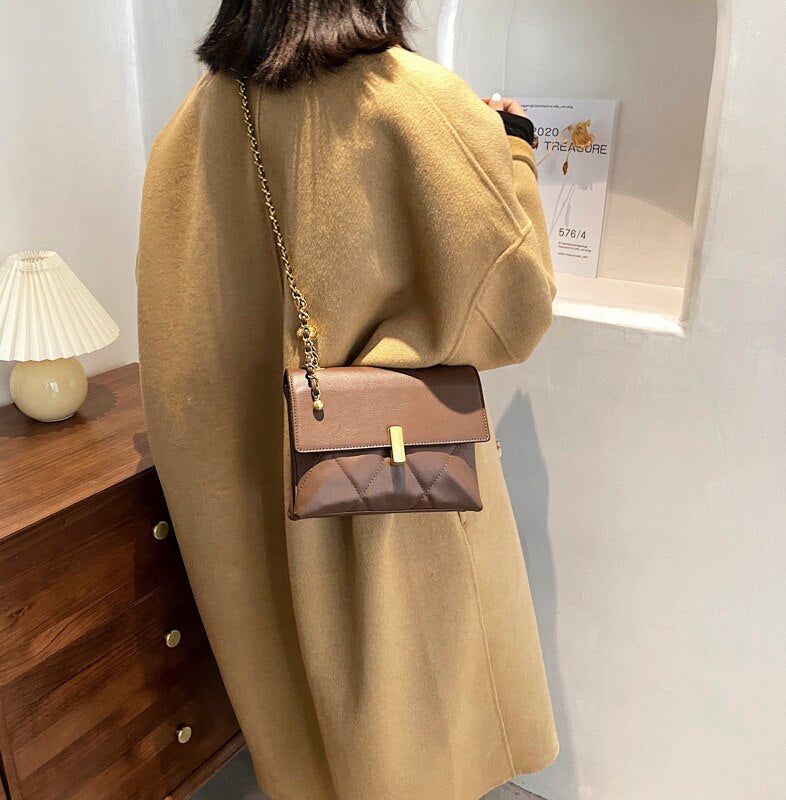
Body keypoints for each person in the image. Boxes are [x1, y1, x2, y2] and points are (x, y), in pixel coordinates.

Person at [137, 2, 558, 798]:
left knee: (310, 733)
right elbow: (516, 307)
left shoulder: (185, 135)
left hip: (245, 502)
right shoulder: (413, 102)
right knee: (411, 734)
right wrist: (513, 147)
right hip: (392, 497)